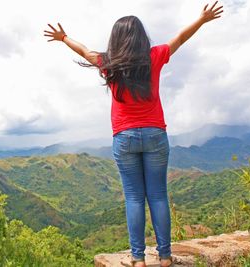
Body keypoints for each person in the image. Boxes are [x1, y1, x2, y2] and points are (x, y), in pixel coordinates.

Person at [44, 1, 223, 267]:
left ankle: (138, 259)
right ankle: (164, 257)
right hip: (154, 134)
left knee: (134, 198)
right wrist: (202, 20)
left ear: (115, 39)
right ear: (141, 37)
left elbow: (84, 51)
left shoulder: (109, 63)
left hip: (124, 137)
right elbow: (180, 38)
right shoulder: (154, 56)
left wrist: (63, 38)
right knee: (158, 196)